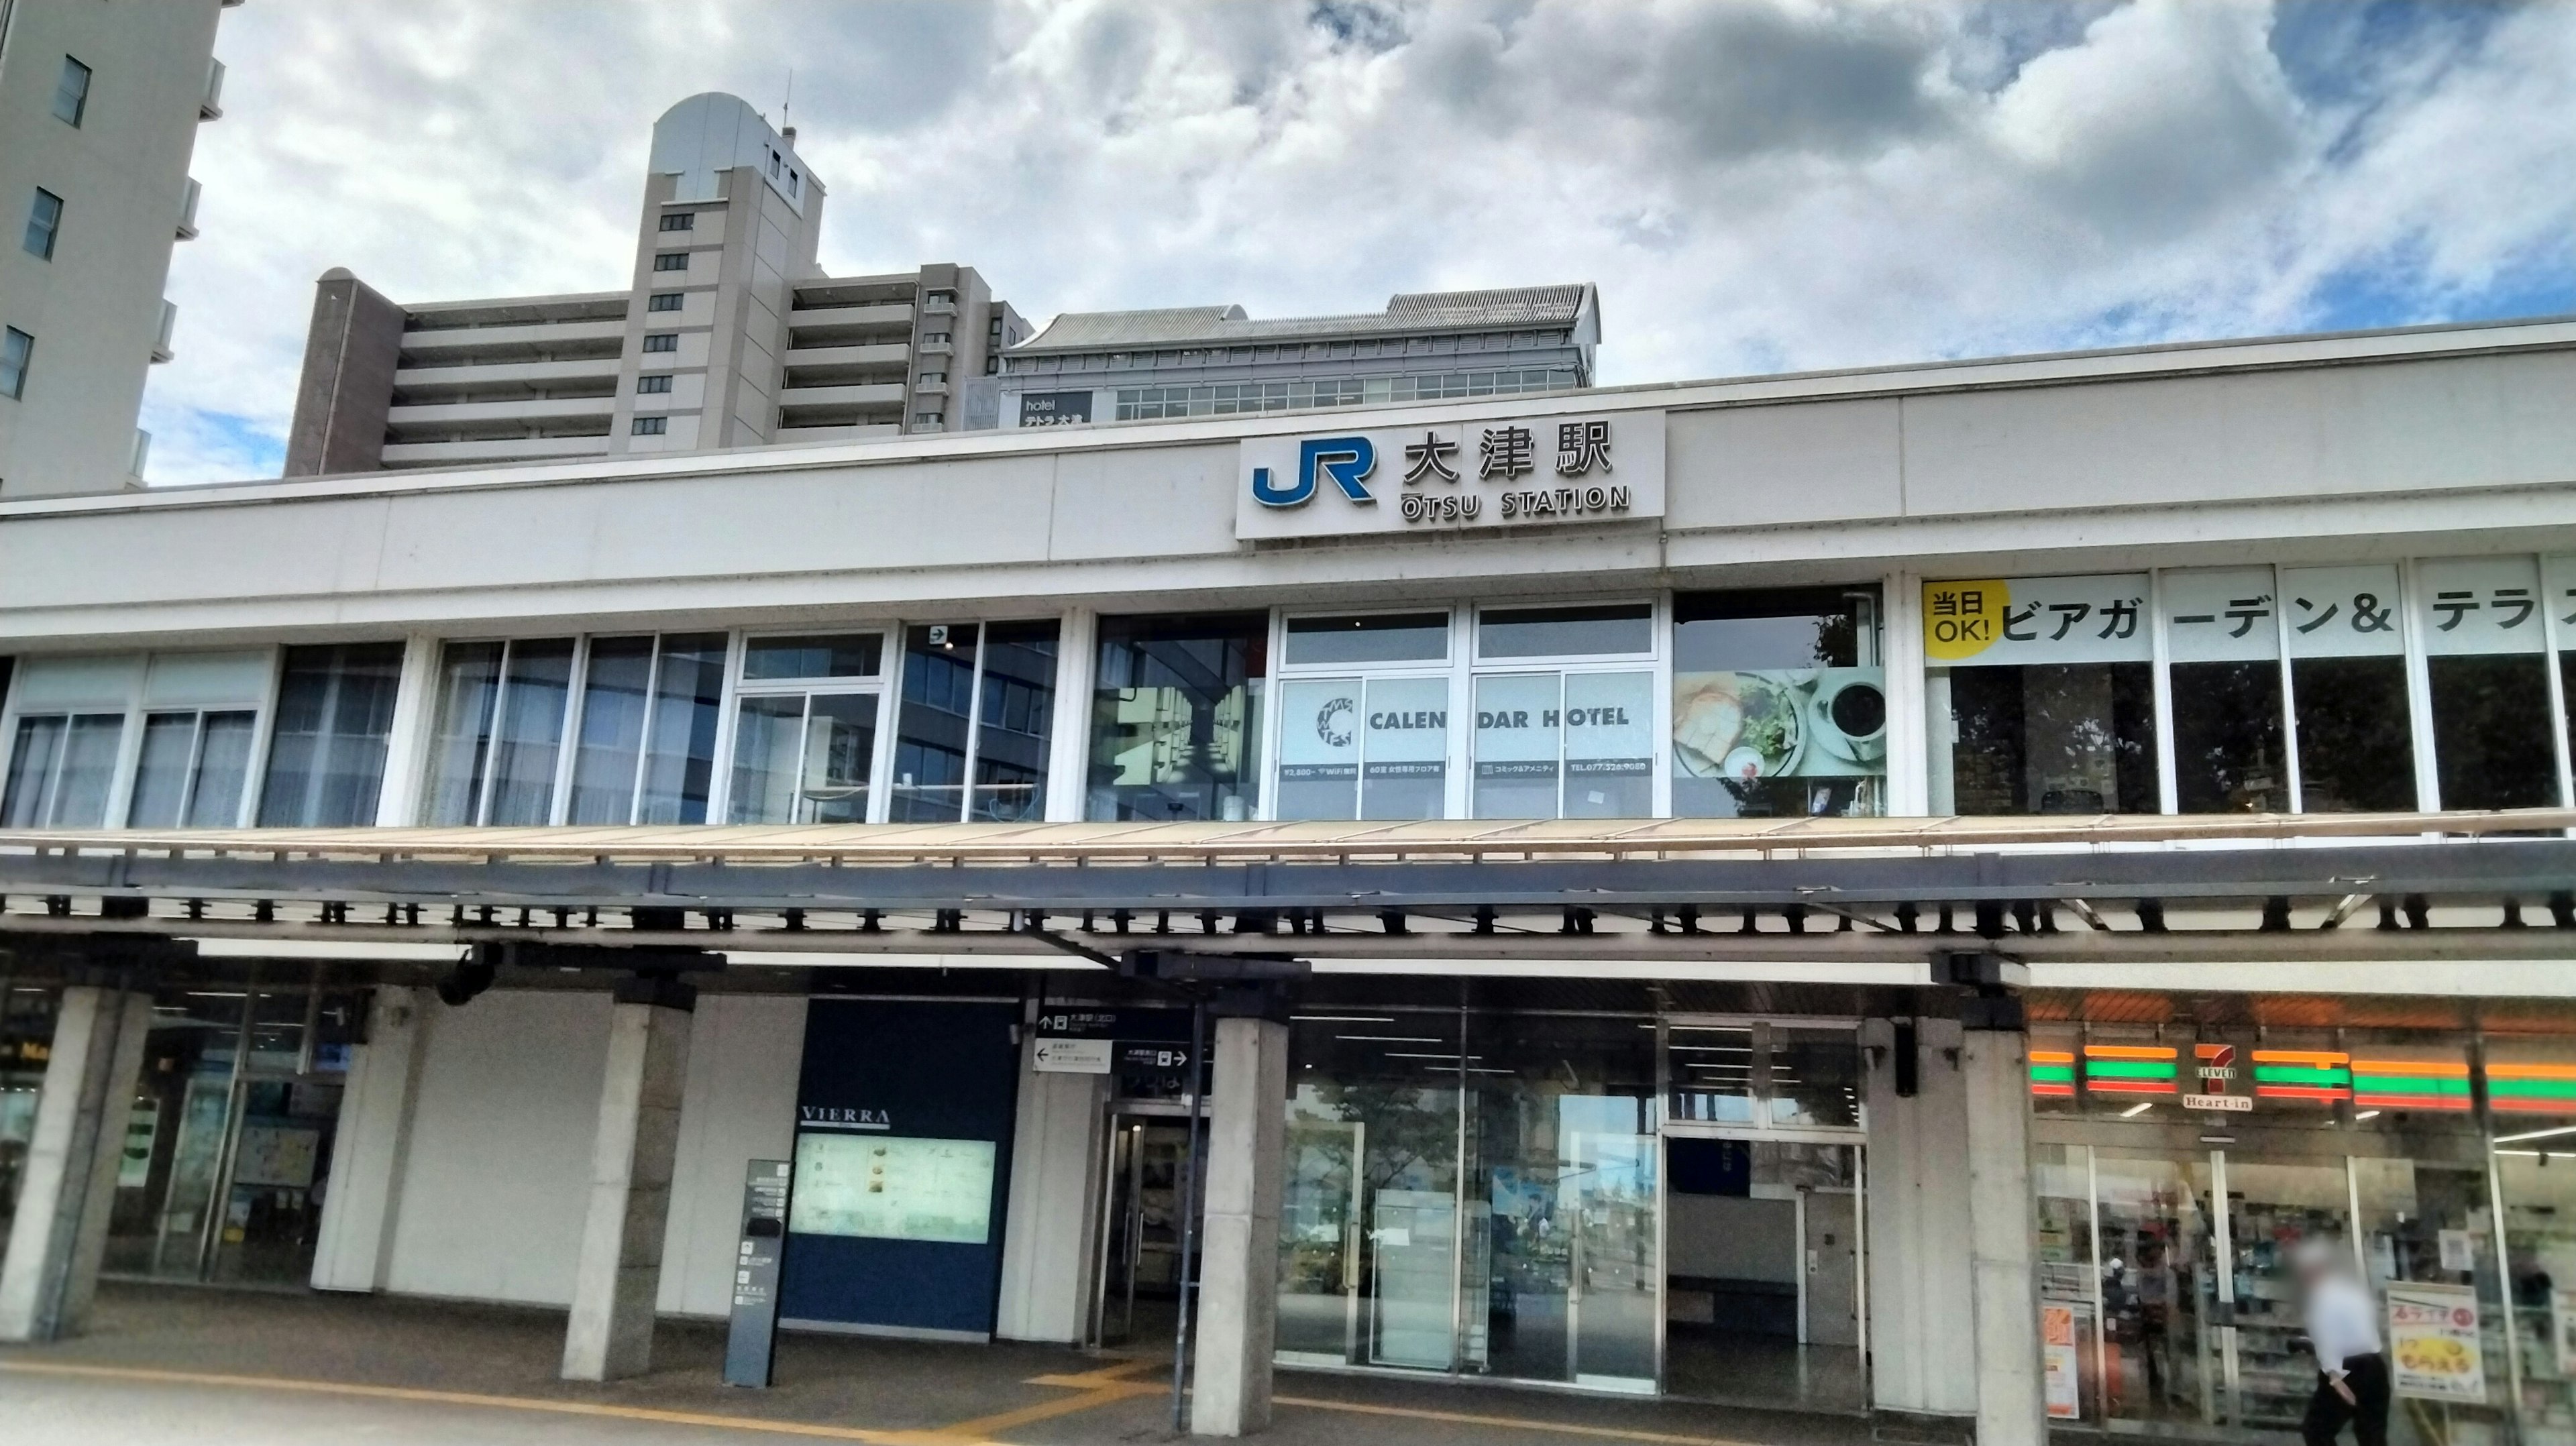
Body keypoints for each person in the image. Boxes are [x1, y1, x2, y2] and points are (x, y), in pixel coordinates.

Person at [2296, 1238, 2390, 1446]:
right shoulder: (2352, 1292)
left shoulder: (2322, 1297)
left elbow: (2326, 1338)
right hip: (2374, 1366)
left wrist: (2334, 1377)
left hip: (2347, 1368)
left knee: (2317, 1429)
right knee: (2372, 1435)